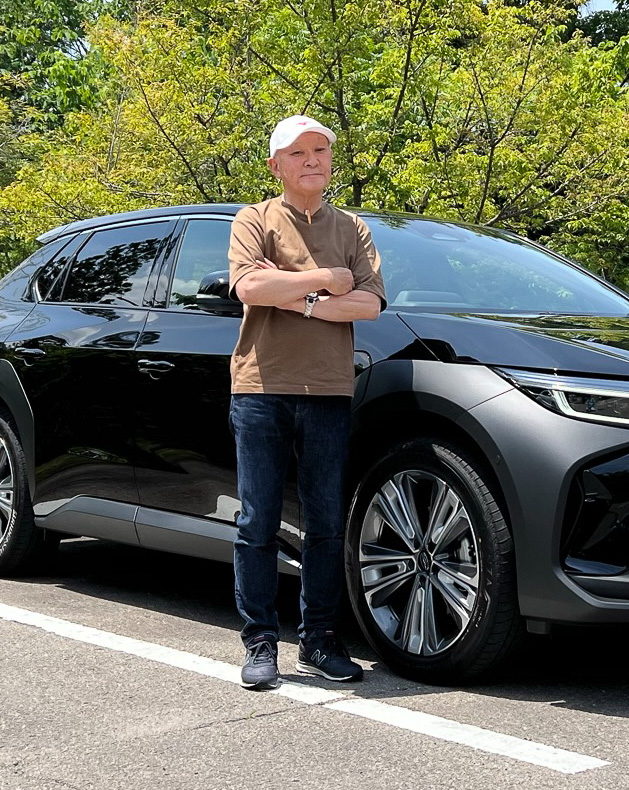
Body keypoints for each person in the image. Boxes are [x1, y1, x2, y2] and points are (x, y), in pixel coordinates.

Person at [227, 115, 385, 690]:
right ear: (276, 164)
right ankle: (260, 643)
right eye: (298, 153)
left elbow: (369, 305)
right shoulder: (254, 219)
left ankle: (317, 640)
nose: (312, 160)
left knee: (324, 522)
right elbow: (248, 288)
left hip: (329, 391)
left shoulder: (353, 227)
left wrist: (296, 295)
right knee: (258, 521)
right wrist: (328, 280)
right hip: (260, 388)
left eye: (320, 150)